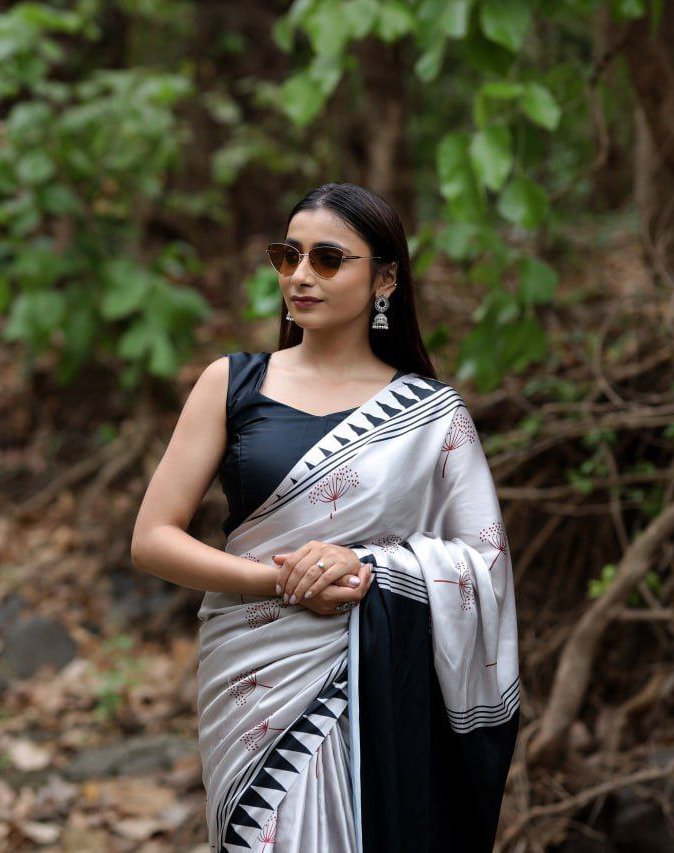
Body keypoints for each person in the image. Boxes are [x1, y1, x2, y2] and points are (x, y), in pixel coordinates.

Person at [129, 183, 520, 851]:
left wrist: (368, 569)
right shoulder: (233, 384)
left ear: (385, 279)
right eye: (289, 256)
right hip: (254, 680)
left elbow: (484, 562)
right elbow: (152, 538)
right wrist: (278, 580)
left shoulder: (433, 415)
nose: (300, 275)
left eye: (328, 259)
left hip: (378, 681)